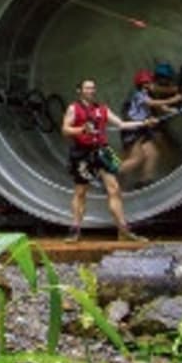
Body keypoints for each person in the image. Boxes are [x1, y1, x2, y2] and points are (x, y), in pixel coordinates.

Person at [62, 77, 157, 242]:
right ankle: (75, 229)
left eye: (92, 88)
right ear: (80, 91)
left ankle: (124, 230)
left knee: (114, 189)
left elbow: (121, 124)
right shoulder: (74, 108)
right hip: (82, 152)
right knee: (81, 192)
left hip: (103, 151)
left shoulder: (102, 109)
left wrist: (143, 123)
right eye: (87, 88)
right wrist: (82, 129)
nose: (91, 91)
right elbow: (65, 129)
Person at [118, 66, 182, 186]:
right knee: (137, 158)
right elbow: (152, 103)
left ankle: (145, 180)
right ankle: (108, 175)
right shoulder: (138, 94)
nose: (152, 85)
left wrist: (173, 110)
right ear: (143, 84)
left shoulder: (147, 94)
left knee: (153, 153)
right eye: (149, 83)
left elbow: (159, 106)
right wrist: (174, 99)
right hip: (132, 130)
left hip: (142, 130)